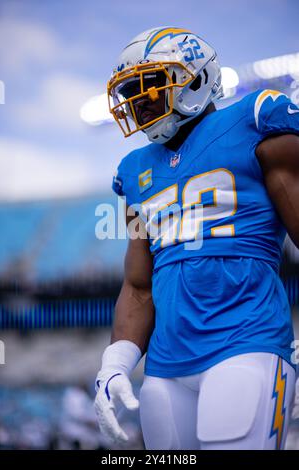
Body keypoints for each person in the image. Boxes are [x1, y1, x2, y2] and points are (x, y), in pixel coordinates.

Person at [94, 26, 299, 450]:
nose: (137, 102)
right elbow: (137, 285)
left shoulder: (253, 121)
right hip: (165, 365)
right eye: (130, 91)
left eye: (148, 86)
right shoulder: (133, 172)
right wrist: (114, 362)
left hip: (246, 341)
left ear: (196, 78)